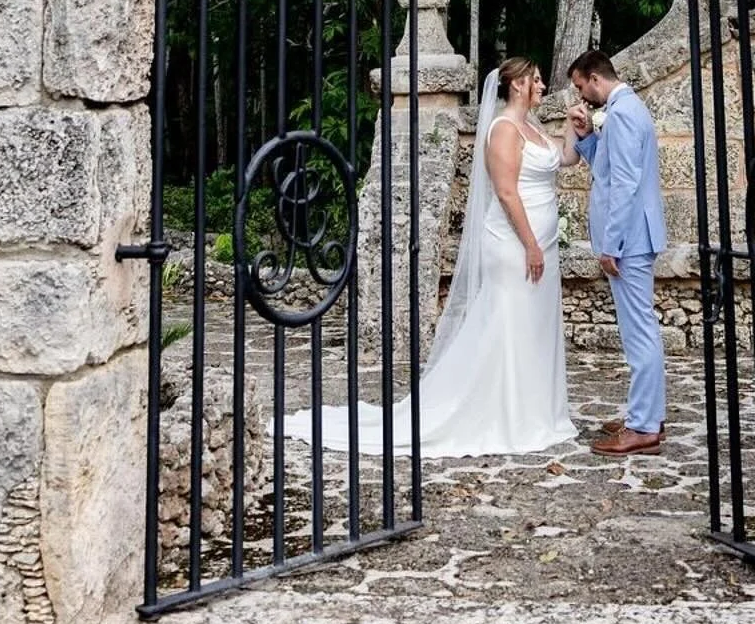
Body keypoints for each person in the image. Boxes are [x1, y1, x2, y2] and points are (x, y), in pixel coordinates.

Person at [284, 56, 579, 457]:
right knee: (511, 323)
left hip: (539, 245)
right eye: (537, 80)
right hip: (513, 244)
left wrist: (575, 131)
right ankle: (509, 413)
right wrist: (528, 243)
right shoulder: (505, 131)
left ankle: (534, 408)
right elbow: (507, 193)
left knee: (533, 325)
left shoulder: (535, 126)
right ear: (516, 85)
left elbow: (564, 160)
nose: (543, 86)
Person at [567, 49, 667, 456]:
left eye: (579, 86)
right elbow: (608, 171)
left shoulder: (623, 114)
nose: (580, 94)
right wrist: (589, 136)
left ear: (594, 78)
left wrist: (611, 244)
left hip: (630, 240)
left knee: (639, 331)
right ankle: (647, 413)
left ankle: (644, 425)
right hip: (635, 237)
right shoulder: (623, 109)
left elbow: (624, 184)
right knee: (638, 328)